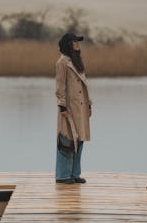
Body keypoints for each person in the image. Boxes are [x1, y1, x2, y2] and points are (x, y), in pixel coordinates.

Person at [55, 32, 93, 184]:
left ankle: (74, 174)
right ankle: (63, 176)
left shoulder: (77, 61)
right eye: (75, 42)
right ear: (68, 44)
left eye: (78, 42)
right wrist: (62, 107)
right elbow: (60, 87)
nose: (78, 44)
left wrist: (89, 104)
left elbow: (85, 86)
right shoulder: (62, 62)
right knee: (66, 141)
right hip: (69, 109)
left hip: (81, 109)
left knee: (79, 140)